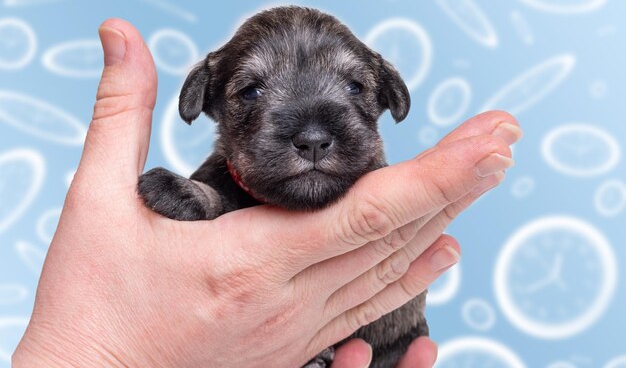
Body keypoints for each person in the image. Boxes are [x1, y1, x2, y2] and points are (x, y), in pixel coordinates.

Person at [12, 19, 520, 368]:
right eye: (252, 92)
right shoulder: (213, 184)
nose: (314, 137)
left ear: (387, 99)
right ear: (206, 103)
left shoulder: (381, 198)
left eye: (353, 88)